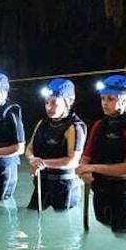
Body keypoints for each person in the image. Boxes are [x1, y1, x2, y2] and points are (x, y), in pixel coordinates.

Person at [77, 74, 126, 234]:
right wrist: (84, 171)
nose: (105, 103)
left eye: (110, 99)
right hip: (101, 191)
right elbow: (86, 157)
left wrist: (92, 168)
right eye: (103, 98)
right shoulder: (99, 125)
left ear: (125, 99)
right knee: (103, 237)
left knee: (123, 240)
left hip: (123, 196)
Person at [26, 78, 87, 211]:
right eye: (47, 102)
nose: (49, 107)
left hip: (64, 187)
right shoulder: (42, 123)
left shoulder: (74, 127)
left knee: (60, 225)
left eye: (54, 103)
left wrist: (42, 163)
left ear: (68, 102)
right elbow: (29, 148)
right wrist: (32, 159)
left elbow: (72, 161)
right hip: (42, 184)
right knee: (30, 218)